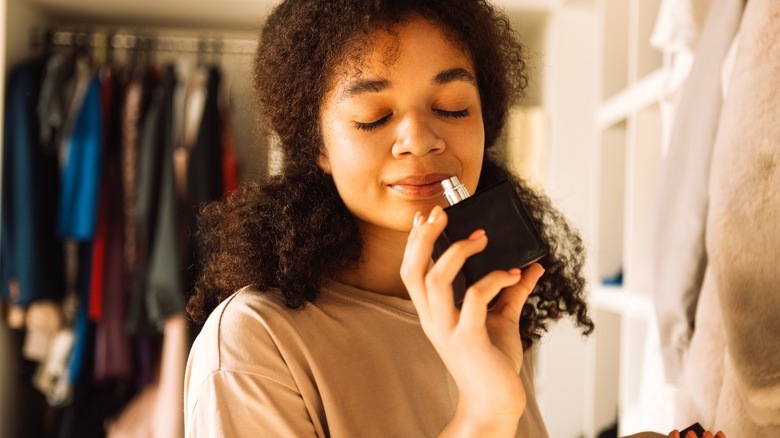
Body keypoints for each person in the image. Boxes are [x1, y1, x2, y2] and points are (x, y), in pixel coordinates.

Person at [182, 0, 717, 436]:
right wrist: (482, 414)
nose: (420, 138)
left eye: (454, 107)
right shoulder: (253, 346)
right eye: (373, 117)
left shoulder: (487, 304)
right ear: (316, 145)